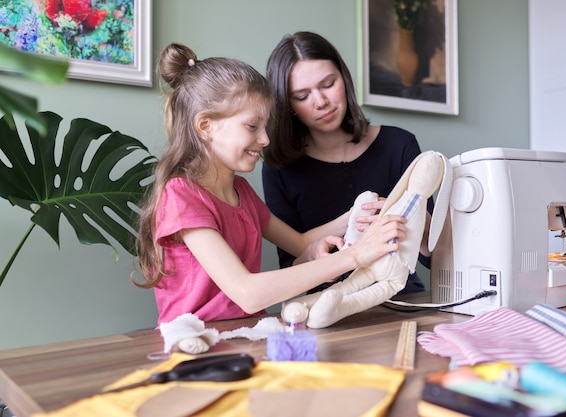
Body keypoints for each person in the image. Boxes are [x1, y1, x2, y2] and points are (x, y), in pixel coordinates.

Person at [133, 43, 407, 325]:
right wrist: (355, 256)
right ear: (205, 126)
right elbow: (247, 293)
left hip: (246, 334)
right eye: (252, 127)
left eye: (265, 127)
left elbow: (300, 242)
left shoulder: (242, 192)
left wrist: (357, 216)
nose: (265, 139)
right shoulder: (182, 196)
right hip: (195, 343)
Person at [262, 31, 432, 294]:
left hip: (402, 299)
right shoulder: (279, 167)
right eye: (303, 96)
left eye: (328, 84)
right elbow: (291, 269)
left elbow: (434, 254)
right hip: (326, 310)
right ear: (288, 104)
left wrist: (409, 215)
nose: (321, 102)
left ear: (344, 78)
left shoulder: (400, 146)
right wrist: (352, 218)